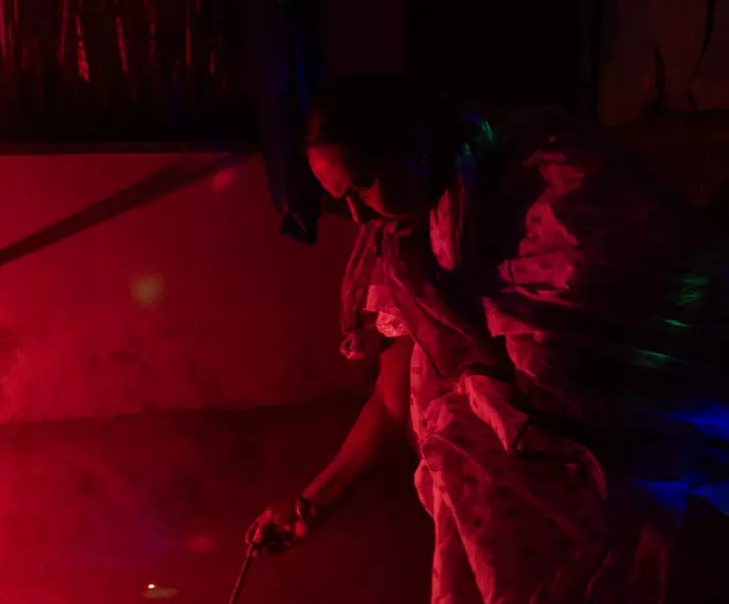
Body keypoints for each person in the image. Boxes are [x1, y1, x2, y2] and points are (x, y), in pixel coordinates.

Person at [246, 74, 729, 603]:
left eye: (362, 184)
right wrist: (311, 503)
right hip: (511, 466)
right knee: (451, 424)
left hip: (614, 436)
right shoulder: (406, 252)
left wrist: (519, 384)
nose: (359, 217)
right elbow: (393, 400)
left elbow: (629, 302)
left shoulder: (544, 175)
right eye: (343, 201)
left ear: (410, 143)